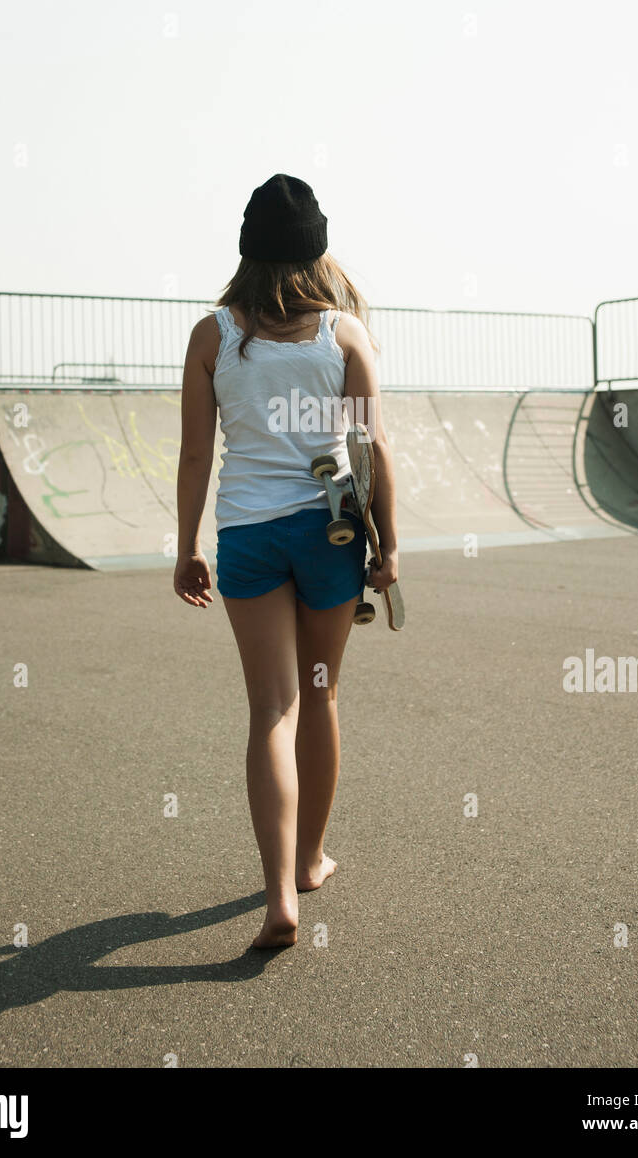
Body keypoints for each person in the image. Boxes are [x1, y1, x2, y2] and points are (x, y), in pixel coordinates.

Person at [173, 173, 398, 949]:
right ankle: (309, 861)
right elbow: (369, 448)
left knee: (271, 709)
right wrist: (390, 546)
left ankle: (278, 897)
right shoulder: (343, 334)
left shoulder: (214, 335)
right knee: (320, 695)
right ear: (316, 250)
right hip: (328, 531)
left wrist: (186, 547)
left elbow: (197, 451)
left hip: (248, 534)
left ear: (247, 248)